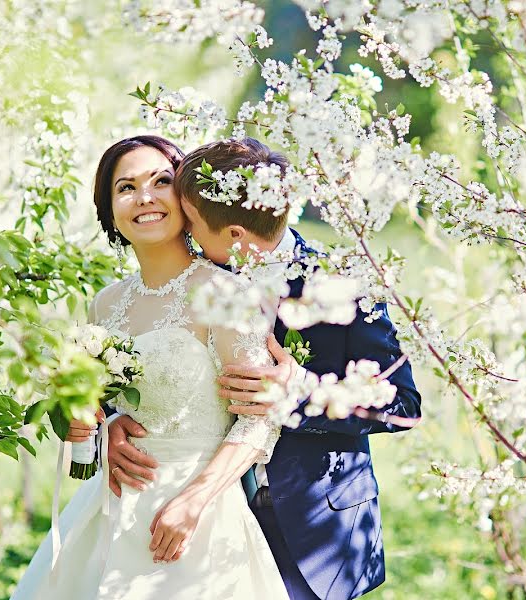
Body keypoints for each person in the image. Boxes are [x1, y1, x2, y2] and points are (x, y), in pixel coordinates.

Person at [95, 137, 422, 599]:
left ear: (233, 233)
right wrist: (114, 421)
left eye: (191, 218)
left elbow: (403, 404)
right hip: (202, 514)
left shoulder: (346, 284)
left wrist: (301, 390)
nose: (184, 226)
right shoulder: (198, 276)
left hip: (317, 529)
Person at [12, 135, 289, 600]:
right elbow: (102, 407)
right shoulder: (106, 304)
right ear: (111, 212)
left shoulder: (226, 294)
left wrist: (195, 500)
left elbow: (260, 417)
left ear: (185, 198)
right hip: (110, 507)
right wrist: (103, 426)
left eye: (161, 181)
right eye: (126, 187)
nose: (144, 197)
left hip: (198, 520)